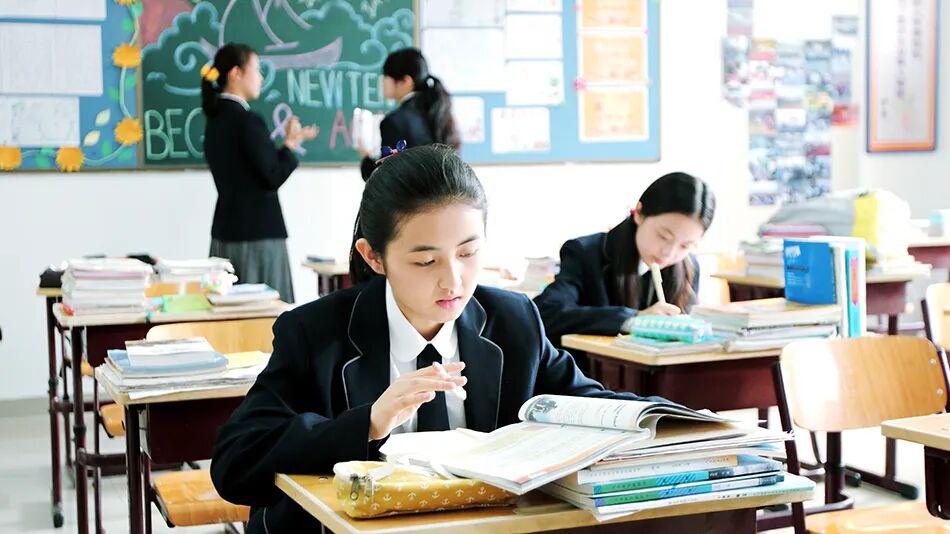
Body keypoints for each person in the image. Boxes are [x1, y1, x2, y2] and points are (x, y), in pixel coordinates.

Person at [211, 145, 663, 532]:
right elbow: (236, 462)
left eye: (468, 252)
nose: (454, 281)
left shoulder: (513, 321)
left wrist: (678, 423)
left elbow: (592, 407)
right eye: (426, 262)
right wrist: (368, 423)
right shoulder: (315, 333)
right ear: (374, 257)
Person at [534, 172, 716, 358]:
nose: (669, 252)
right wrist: (634, 319)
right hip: (594, 372)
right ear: (639, 213)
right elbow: (547, 313)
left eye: (685, 245)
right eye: (663, 236)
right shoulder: (586, 252)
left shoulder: (689, 266)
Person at [201, 42, 317, 303]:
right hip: (259, 236)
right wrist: (290, 146)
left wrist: (287, 145)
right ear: (236, 73)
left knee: (228, 315)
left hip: (225, 233)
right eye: (256, 69)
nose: (261, 77)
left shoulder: (214, 120)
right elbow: (272, 176)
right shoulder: (247, 120)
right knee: (266, 314)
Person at [358, 48, 459, 180]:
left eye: (386, 76)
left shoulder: (395, 122)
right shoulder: (435, 112)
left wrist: (365, 157)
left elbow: (386, 181)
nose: (382, 81)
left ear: (406, 82)